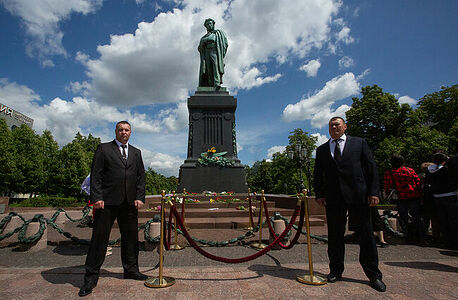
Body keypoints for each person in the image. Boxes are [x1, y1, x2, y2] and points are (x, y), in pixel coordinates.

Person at [314, 117, 386, 292]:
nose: (334, 127)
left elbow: (371, 168)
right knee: (335, 236)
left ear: (345, 127)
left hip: (358, 195)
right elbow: (318, 174)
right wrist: (320, 194)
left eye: (337, 124)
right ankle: (335, 271)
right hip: (334, 198)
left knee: (366, 236)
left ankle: (373, 275)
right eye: (331, 125)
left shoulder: (359, 143)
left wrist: (374, 192)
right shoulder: (322, 149)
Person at [79, 121, 147, 297]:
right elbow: (96, 175)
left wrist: (139, 197)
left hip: (129, 203)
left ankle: (131, 270)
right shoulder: (103, 149)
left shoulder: (136, 152)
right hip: (107, 202)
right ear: (115, 131)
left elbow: (141, 177)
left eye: (127, 130)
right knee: (99, 240)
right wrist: (97, 197)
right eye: (121, 130)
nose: (124, 132)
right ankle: (90, 278)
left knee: (131, 239)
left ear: (130, 133)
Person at [383, 154, 424, 245]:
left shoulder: (389, 172)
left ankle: (407, 236)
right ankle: (421, 237)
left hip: (400, 197)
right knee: (417, 218)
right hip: (413, 195)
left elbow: (387, 186)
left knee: (403, 218)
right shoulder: (410, 170)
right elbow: (418, 183)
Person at [426, 152, 458, 250]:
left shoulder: (429, 170)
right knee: (453, 220)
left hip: (437, 196)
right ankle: (455, 242)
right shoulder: (447, 169)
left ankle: (447, 242)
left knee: (443, 220)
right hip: (450, 195)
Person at [198, 18, 228, 88]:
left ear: (213, 24)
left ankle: (217, 83)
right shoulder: (204, 37)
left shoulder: (218, 33)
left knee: (215, 66)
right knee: (208, 68)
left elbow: (225, 43)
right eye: (207, 24)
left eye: (210, 24)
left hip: (214, 51)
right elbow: (199, 48)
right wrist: (203, 42)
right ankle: (211, 84)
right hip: (206, 52)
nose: (209, 25)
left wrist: (221, 53)